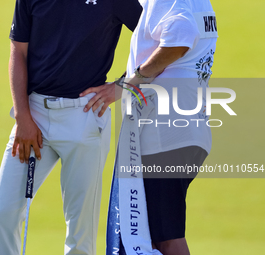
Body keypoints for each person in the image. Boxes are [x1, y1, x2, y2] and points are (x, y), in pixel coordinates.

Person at [0, 1, 142, 255]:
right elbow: (18, 50)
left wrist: (121, 87)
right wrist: (22, 117)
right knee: (2, 215)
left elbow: (155, 38)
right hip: (33, 118)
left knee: (80, 235)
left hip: (85, 117)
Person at [81, 0, 218, 254]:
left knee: (166, 236)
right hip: (189, 128)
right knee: (154, 235)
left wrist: (127, 85)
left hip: (165, 133)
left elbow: (180, 37)